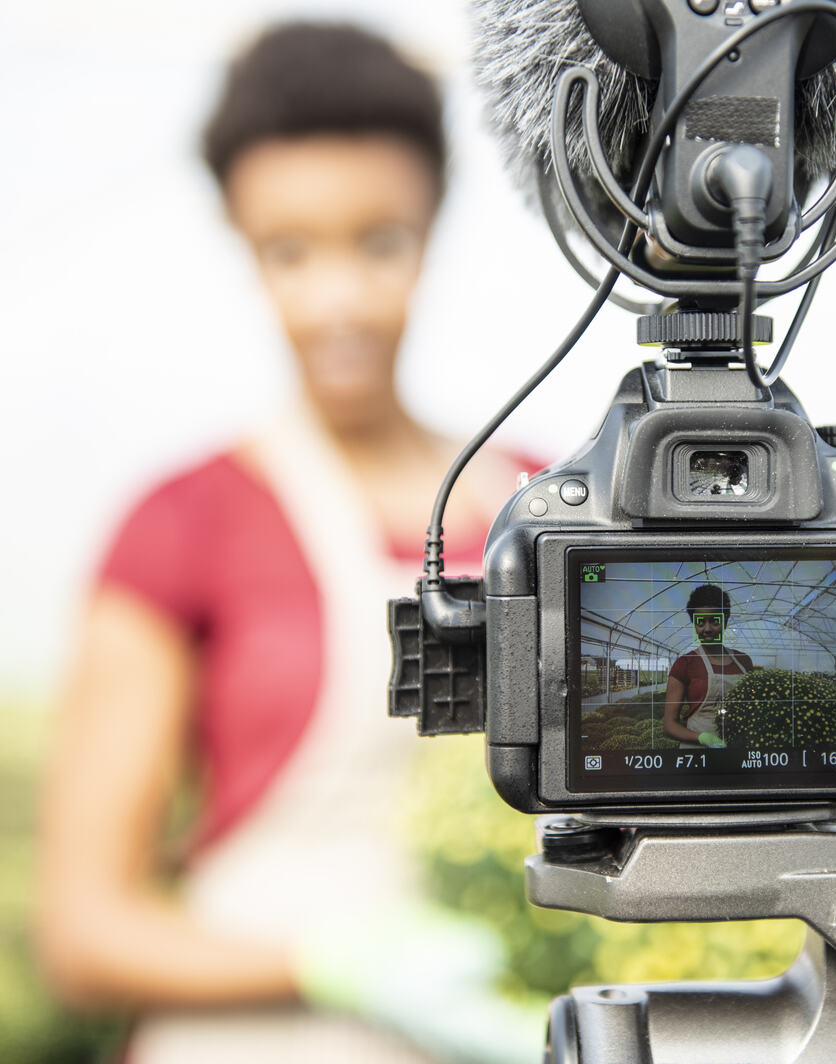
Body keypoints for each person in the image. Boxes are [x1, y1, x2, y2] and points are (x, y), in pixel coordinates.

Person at [35, 22, 537, 1064]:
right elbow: (81, 932)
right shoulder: (184, 523)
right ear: (241, 241)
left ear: (434, 222)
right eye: (289, 250)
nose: (337, 299)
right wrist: (328, 958)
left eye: (379, 240)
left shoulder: (542, 505)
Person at [661, 585, 756, 748]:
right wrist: (702, 738)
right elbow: (669, 725)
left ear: (726, 620)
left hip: (736, 752)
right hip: (696, 754)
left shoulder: (743, 661)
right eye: (700, 622)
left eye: (714, 621)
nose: (707, 629)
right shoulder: (685, 664)